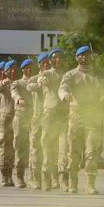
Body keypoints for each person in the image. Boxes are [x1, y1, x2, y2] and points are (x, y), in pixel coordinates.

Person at [58, 45, 103, 195]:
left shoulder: (97, 75)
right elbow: (63, 87)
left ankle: (90, 184)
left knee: (91, 152)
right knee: (74, 153)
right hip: (76, 117)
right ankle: (73, 183)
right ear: (77, 57)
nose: (84, 57)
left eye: (87, 55)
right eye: (81, 55)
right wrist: (64, 95)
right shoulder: (70, 74)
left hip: (92, 117)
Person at [39, 48, 69, 191]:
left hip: (63, 115)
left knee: (64, 147)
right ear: (50, 60)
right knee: (48, 146)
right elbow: (41, 80)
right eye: (55, 58)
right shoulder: (46, 73)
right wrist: (43, 81)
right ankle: (47, 178)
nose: (58, 60)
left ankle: (63, 178)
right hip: (49, 114)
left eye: (60, 57)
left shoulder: (67, 75)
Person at [25, 53, 49, 190]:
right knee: (35, 148)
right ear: (39, 65)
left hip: (51, 117)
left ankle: (50, 178)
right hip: (37, 117)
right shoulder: (34, 78)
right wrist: (39, 82)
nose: (45, 64)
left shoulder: (53, 76)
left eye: (47, 62)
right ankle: (34, 178)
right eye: (43, 62)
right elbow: (29, 86)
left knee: (50, 148)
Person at [10, 59, 35, 188]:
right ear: (23, 70)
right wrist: (19, 99)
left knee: (35, 147)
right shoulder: (17, 83)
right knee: (20, 146)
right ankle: (19, 177)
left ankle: (33, 177)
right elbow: (14, 93)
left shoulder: (36, 81)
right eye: (27, 68)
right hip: (21, 116)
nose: (29, 70)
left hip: (34, 116)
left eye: (31, 68)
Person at [0, 60, 16, 187]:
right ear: (6, 71)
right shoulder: (2, 83)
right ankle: (4, 175)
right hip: (5, 117)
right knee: (4, 146)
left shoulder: (17, 83)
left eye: (15, 69)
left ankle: (10, 174)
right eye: (11, 69)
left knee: (14, 146)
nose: (13, 72)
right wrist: (5, 81)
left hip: (17, 116)